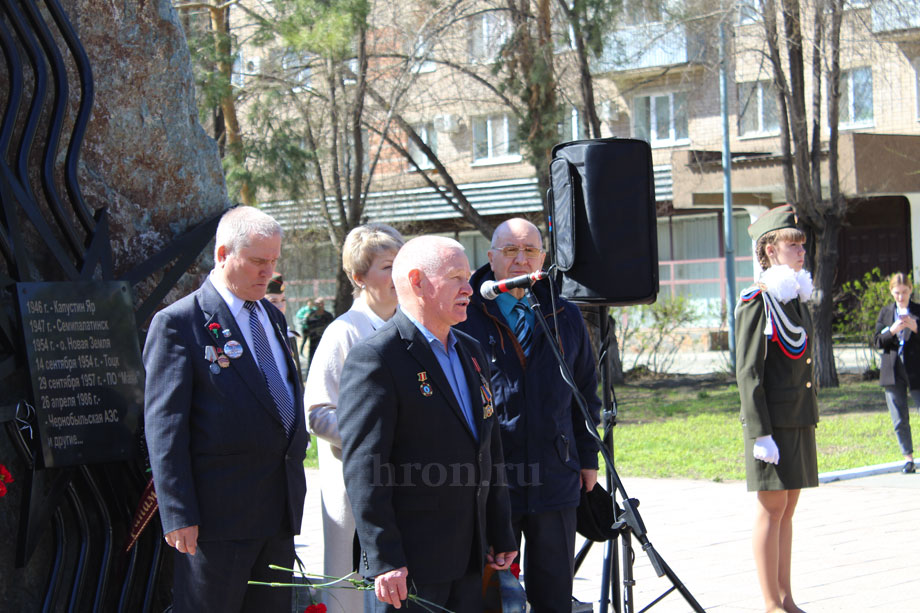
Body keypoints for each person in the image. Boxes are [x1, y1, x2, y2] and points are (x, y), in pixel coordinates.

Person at [337, 235, 517, 611]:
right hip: (412, 565)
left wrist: (500, 531)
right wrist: (384, 557)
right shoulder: (376, 358)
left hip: (473, 554)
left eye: (467, 277)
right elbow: (365, 468)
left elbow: (489, 446)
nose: (469, 288)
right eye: (455, 277)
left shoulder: (472, 350)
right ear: (417, 281)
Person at [143, 206, 309, 611]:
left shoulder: (270, 315)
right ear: (222, 254)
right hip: (217, 519)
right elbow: (165, 427)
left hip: (276, 511)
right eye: (256, 261)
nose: (267, 272)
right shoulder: (179, 323)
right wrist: (178, 511)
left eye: (272, 261)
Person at [456, 217, 600, 612]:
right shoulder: (465, 312)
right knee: (492, 595)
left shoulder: (565, 313)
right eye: (510, 251)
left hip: (555, 473)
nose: (521, 260)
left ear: (543, 256)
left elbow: (585, 392)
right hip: (491, 479)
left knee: (554, 594)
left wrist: (587, 459)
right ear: (490, 257)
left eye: (530, 251)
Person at [304, 223, 404, 612]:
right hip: (356, 485)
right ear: (358, 277)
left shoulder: (408, 327)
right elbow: (317, 412)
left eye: (401, 265)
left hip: (405, 482)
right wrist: (375, 439)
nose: (396, 276)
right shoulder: (343, 332)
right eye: (386, 267)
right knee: (356, 596)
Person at [735, 204, 817, 613]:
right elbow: (749, 371)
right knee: (772, 508)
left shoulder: (794, 297)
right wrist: (759, 432)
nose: (802, 252)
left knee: (788, 509)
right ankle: (770, 603)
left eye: (802, 246)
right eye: (792, 245)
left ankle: (786, 597)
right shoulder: (757, 300)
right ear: (769, 250)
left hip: (797, 417)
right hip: (771, 424)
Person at [873, 272, 920, 474]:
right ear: (891, 292)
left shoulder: (917, 310)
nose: (901, 297)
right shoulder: (885, 313)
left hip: (916, 368)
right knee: (899, 417)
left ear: (910, 290)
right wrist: (891, 331)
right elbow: (876, 341)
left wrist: (916, 328)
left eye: (904, 292)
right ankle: (908, 458)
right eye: (897, 293)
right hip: (892, 370)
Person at [265, 271, 302, 376]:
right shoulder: (259, 336)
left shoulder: (288, 334)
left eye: (283, 300)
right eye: (274, 301)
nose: (281, 306)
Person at [305, 298, 334, 366]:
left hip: (325, 343)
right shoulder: (311, 315)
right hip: (313, 343)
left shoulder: (328, 316)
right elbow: (307, 327)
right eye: (316, 304)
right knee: (312, 362)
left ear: (323, 304)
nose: (318, 305)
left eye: (319, 303)